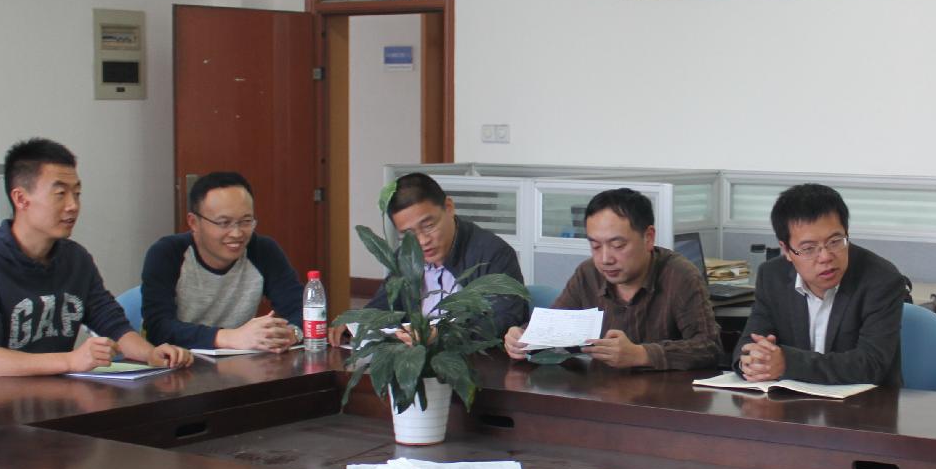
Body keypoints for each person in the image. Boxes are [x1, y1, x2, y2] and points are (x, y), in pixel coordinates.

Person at [0, 138, 192, 381]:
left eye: (77, 193)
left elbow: (113, 326)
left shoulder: (75, 259)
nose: (73, 205)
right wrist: (71, 360)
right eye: (60, 194)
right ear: (21, 199)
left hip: (51, 393)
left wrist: (150, 354)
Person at [504, 187, 720, 370]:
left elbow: (709, 347)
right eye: (595, 246)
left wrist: (641, 354)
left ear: (648, 237)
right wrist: (521, 336)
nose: (605, 259)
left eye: (618, 245)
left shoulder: (680, 275)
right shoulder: (588, 274)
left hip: (663, 399)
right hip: (600, 393)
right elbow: (555, 325)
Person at [731, 183, 906, 386]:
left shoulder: (881, 279)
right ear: (786, 250)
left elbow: (871, 365)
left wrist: (788, 363)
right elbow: (750, 342)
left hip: (866, 402)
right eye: (809, 248)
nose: (825, 257)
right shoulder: (772, 277)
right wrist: (752, 362)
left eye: (835, 241)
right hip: (790, 401)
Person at [334, 172, 529, 343]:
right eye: (408, 234)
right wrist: (356, 323)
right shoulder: (407, 255)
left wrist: (443, 335)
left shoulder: (492, 253)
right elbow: (385, 305)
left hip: (475, 364)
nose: (422, 241)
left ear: (449, 207)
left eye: (428, 226)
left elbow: (503, 320)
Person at [139, 171, 302, 352]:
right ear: (193, 222)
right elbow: (158, 328)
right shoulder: (167, 254)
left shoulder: (263, 251)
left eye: (246, 221)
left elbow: (302, 308)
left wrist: (292, 333)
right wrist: (228, 337)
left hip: (241, 361)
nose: (237, 233)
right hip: (180, 362)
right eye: (224, 223)